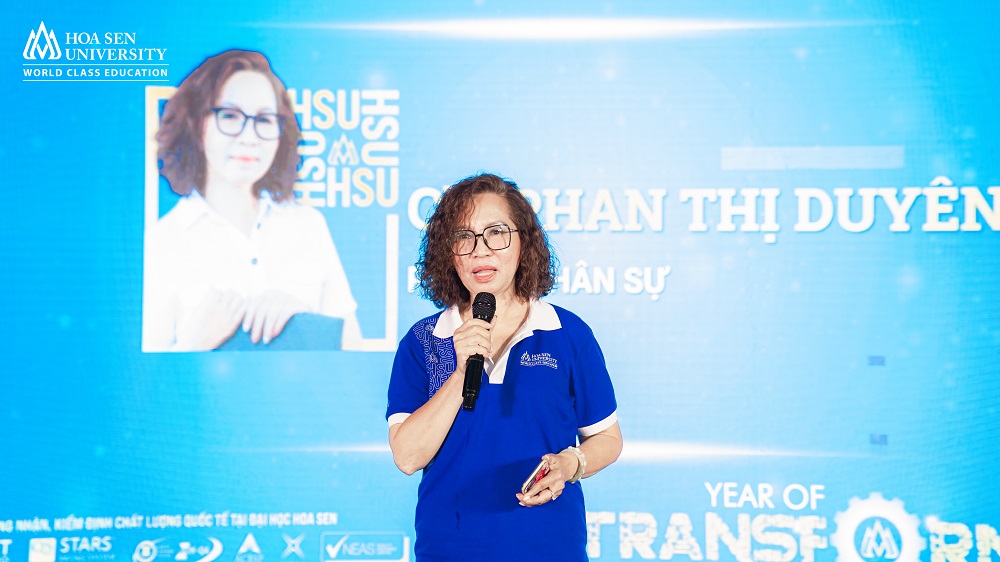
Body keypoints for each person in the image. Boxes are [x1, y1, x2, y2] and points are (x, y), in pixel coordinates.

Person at [386, 173, 623, 561]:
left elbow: (608, 438)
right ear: (448, 252)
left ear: (523, 241)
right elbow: (408, 457)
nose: (480, 251)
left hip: (550, 548)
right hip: (450, 549)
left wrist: (571, 463)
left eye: (496, 233)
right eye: (463, 237)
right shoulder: (424, 340)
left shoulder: (566, 333)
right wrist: (460, 373)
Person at [142, 49, 360, 352]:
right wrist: (195, 343)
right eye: (230, 116)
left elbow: (354, 349)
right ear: (196, 123)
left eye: (264, 119)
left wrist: (303, 318)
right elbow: (142, 374)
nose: (249, 137)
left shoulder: (308, 225)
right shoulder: (162, 241)